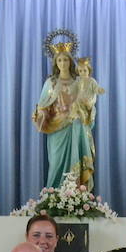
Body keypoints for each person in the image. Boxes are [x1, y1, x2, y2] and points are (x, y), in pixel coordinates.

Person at [33, 42, 101, 191]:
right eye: (59, 60)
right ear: (55, 63)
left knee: (76, 161)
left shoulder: (79, 81)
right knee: (56, 163)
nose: (63, 63)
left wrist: (87, 110)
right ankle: (54, 196)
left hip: (77, 126)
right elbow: (43, 106)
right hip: (57, 129)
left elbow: (89, 103)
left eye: (66, 60)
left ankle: (76, 197)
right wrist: (41, 115)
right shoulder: (50, 83)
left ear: (71, 62)